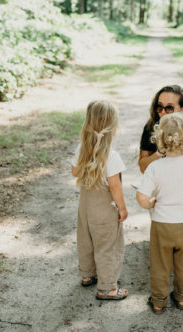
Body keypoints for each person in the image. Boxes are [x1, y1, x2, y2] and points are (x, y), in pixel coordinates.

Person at [136, 112, 183, 314]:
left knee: (160, 266)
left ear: (159, 138)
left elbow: (141, 196)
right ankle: (182, 298)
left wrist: (150, 203)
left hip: (162, 225)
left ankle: (159, 301)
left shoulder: (155, 167)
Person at [138, 85, 183, 266]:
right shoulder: (152, 126)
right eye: (159, 107)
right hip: (162, 180)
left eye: (169, 107)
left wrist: (178, 150)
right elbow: (142, 166)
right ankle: (166, 237)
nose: (163, 112)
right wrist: (160, 152)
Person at [71, 100, 129, 300]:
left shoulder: (81, 149)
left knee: (86, 241)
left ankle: (88, 275)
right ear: (113, 128)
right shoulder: (111, 156)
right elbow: (115, 186)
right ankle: (107, 288)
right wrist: (122, 208)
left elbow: (74, 171)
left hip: (85, 210)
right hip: (105, 211)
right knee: (107, 246)